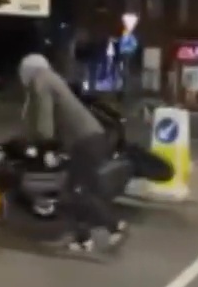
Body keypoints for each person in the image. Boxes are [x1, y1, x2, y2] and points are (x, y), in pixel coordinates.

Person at [18, 53, 128, 252]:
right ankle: (83, 239)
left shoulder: (41, 81)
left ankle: (114, 227)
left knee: (77, 192)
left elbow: (44, 118)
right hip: (89, 138)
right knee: (74, 191)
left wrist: (45, 145)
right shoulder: (51, 78)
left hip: (84, 140)